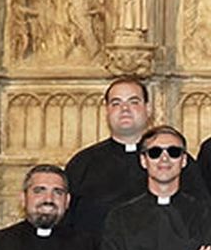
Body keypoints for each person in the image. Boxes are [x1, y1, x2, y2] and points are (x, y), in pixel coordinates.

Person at [68, 76, 203, 238]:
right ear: (107, 110)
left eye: (133, 102)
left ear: (148, 109)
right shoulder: (83, 164)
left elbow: (202, 214)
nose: (125, 109)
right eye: (116, 103)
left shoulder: (174, 158)